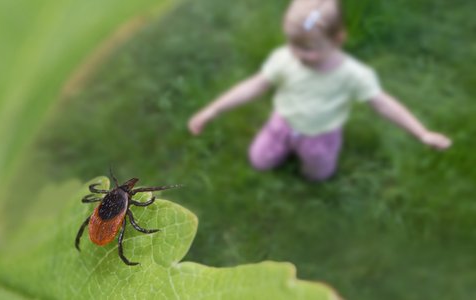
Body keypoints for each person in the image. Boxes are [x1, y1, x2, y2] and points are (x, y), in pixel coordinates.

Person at [187, 0, 451, 181]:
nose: (297, 53)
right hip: (281, 125)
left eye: (308, 47)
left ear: (338, 39)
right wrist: (214, 109)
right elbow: (254, 86)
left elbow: (383, 104)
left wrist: (421, 132)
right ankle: (280, 148)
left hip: (321, 135)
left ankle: (313, 166)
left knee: (318, 175)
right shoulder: (285, 59)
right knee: (259, 161)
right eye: (292, 43)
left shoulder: (354, 75)